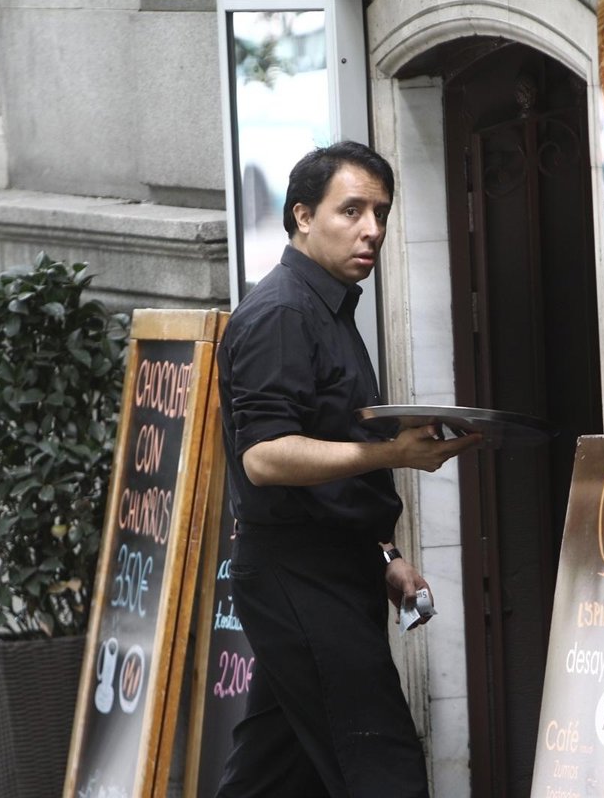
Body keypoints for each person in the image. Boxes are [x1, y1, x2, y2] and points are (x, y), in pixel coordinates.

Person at [216, 140, 480, 797]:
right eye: (352, 210)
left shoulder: (327, 306)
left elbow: (335, 455)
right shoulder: (283, 313)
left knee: (272, 777)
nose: (372, 230)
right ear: (303, 216)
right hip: (299, 573)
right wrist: (396, 452)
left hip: (329, 566)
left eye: (381, 213)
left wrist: (385, 554)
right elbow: (265, 457)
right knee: (383, 769)